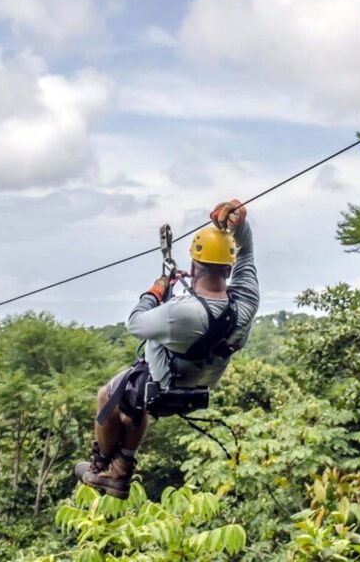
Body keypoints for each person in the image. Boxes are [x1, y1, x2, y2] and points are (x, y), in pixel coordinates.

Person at [74, 199, 260, 498]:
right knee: (133, 403)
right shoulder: (245, 303)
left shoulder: (182, 314)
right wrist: (240, 225)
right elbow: (247, 254)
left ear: (193, 265)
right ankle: (122, 467)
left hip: (166, 380)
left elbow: (135, 323)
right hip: (201, 383)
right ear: (229, 267)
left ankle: (103, 470)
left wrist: (156, 291)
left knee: (107, 396)